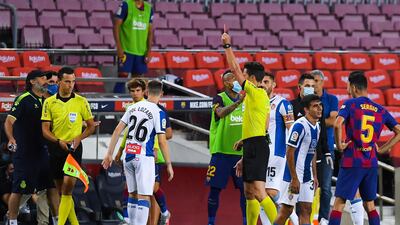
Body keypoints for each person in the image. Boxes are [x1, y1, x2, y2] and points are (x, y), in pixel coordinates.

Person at [328, 71, 400, 225]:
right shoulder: (380, 109)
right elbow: (398, 131)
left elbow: (337, 124)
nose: (347, 90)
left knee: (339, 202)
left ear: (353, 87)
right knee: (370, 204)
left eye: (347, 86)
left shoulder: (350, 104)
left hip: (352, 160)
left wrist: (340, 144)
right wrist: (382, 149)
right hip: (371, 162)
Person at [221, 32, 277, 225]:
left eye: (243, 76)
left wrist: (227, 46)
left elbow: (234, 68)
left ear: (251, 78)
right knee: (249, 193)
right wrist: (244, 146)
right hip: (253, 144)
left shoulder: (256, 91)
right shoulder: (255, 97)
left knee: (260, 192)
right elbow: (261, 125)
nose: (239, 79)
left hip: (257, 145)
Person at [102, 80, 174, 225]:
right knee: (144, 196)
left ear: (146, 92)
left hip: (128, 155)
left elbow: (117, 130)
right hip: (144, 157)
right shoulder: (158, 112)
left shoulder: (133, 108)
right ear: (161, 93)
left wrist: (109, 153)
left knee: (132, 194)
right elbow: (162, 141)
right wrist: (169, 164)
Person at [41, 67, 96, 225]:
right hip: (56, 148)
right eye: (67, 81)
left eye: (73, 81)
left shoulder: (81, 101)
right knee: (62, 192)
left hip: (74, 149)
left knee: (68, 187)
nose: (70, 85)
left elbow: (91, 126)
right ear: (59, 81)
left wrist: (79, 137)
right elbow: (45, 130)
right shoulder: (49, 102)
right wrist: (59, 141)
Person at [4, 70, 59, 225]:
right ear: (32, 81)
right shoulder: (23, 99)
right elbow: (8, 122)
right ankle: (12, 221)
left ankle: (57, 221)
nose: (46, 81)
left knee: (50, 186)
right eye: (42, 78)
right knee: (19, 189)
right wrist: (11, 138)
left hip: (43, 152)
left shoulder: (47, 101)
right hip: (25, 153)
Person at [273, 94, 322, 225]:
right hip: (293, 174)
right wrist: (294, 178)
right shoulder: (299, 125)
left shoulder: (317, 126)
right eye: (315, 106)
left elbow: (312, 150)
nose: (319, 108)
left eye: (320, 105)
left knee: (307, 210)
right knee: (286, 211)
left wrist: (314, 175)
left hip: (307, 175)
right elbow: (289, 151)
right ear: (306, 110)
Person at [207, 70, 246, 225]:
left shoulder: (246, 99)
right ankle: (211, 222)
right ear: (225, 83)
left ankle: (246, 222)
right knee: (214, 190)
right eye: (232, 79)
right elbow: (221, 113)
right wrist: (238, 103)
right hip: (221, 152)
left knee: (246, 192)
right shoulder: (219, 98)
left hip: (242, 154)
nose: (236, 81)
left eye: (237, 78)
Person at [259, 73, 297, 225]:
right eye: (261, 81)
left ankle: (293, 219)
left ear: (273, 84)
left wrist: (292, 153)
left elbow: (292, 129)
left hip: (277, 154)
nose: (263, 84)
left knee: (272, 193)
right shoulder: (256, 102)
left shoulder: (283, 104)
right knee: (260, 195)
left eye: (267, 81)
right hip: (260, 155)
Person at [309, 70, 338, 225]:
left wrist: (313, 119)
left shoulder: (332, 99)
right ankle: (305, 217)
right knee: (307, 185)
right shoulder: (306, 99)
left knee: (326, 188)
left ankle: (324, 219)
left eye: (317, 81)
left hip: (325, 148)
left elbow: (333, 121)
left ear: (322, 82)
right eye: (312, 81)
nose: (314, 84)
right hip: (308, 147)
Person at [113, 0, 154, 93]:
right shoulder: (126, 5)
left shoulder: (149, 8)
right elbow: (116, 26)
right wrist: (119, 47)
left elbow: (150, 32)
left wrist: (148, 51)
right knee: (122, 76)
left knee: (138, 81)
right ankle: (116, 102)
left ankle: (136, 105)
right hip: (126, 50)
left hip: (141, 52)